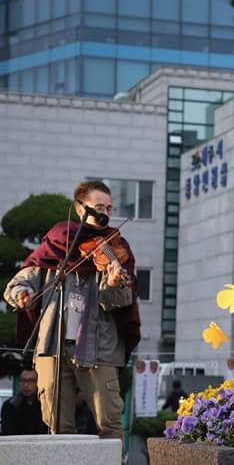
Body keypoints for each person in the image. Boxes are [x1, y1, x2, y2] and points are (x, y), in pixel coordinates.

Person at [3, 180, 141, 438]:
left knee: (109, 423)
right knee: (57, 426)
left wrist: (112, 284)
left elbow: (123, 300)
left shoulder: (116, 248)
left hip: (98, 347)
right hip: (52, 347)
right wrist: (21, 294)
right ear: (80, 209)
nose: (106, 213)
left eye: (109, 208)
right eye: (99, 206)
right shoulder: (55, 245)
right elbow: (19, 281)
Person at [0, 368, 48, 435]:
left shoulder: (45, 405)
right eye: (23, 380)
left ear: (38, 383)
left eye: (31, 381)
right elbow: (8, 432)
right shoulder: (10, 406)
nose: (26, 385)